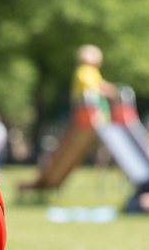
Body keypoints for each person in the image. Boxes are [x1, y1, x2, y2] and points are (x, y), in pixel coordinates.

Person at [19, 44, 117, 192]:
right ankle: (44, 181)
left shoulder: (92, 72)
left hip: (89, 113)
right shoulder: (85, 71)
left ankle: (49, 181)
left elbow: (97, 85)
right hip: (84, 112)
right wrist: (107, 89)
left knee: (68, 151)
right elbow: (92, 85)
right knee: (63, 150)